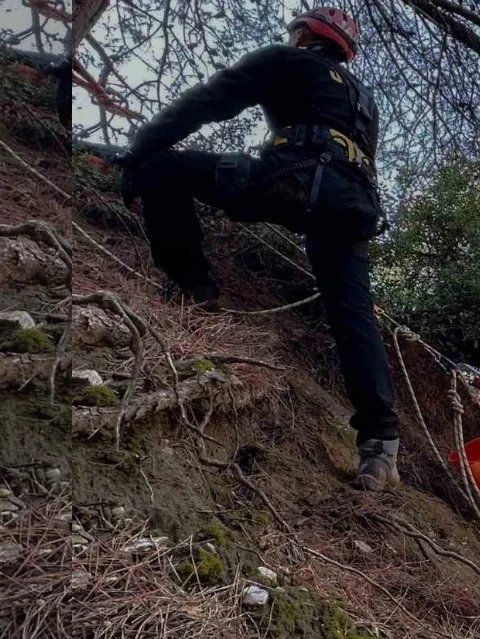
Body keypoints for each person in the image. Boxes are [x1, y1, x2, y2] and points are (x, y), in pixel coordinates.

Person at [116, 8, 400, 491]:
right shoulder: (364, 99)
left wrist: (140, 147)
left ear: (306, 35)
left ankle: (195, 287)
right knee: (354, 318)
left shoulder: (286, 61)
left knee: (163, 169)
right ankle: (381, 448)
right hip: (354, 205)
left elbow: (209, 101)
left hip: (290, 180)